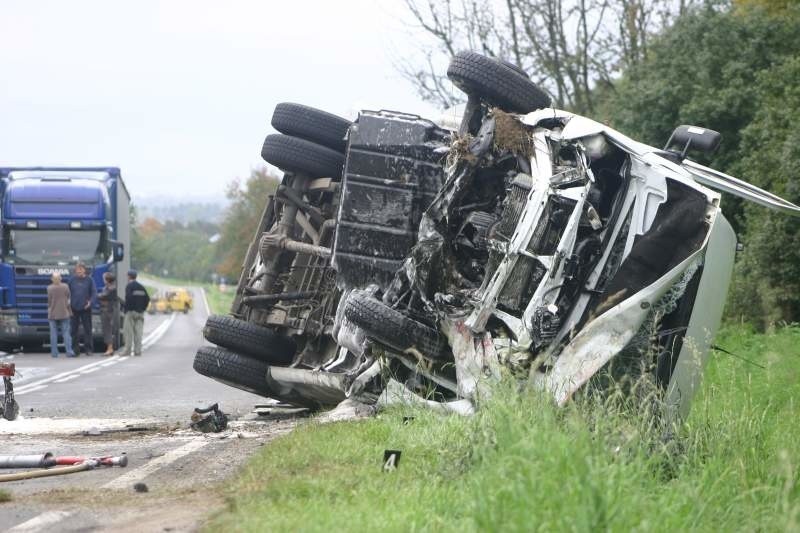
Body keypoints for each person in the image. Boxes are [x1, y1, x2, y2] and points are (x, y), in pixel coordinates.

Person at [68, 263, 97, 356]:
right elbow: (67, 293)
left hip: (86, 308)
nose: (79, 271)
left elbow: (94, 292)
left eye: (80, 269)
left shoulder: (89, 280)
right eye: (77, 269)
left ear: (84, 270)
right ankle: (75, 350)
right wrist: (68, 305)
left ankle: (88, 349)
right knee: (73, 330)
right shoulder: (71, 280)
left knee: (87, 329)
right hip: (73, 309)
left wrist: (91, 302)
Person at [122, 270, 150, 356]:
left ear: (129, 277)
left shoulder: (129, 286)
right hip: (140, 313)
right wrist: (142, 309)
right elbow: (147, 299)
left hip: (130, 312)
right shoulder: (141, 287)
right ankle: (138, 351)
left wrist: (127, 309)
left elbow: (128, 298)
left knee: (128, 332)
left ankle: (127, 351)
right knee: (138, 333)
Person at [47, 273, 75, 358]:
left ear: (52, 279)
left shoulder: (49, 288)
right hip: (64, 312)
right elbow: (69, 298)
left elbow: (49, 301)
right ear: (60, 278)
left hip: (53, 313)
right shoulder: (65, 286)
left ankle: (54, 353)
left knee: (53, 334)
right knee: (66, 333)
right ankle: (69, 351)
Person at [98, 272, 118, 356]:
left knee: (107, 330)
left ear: (107, 280)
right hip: (106, 310)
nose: (103, 280)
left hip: (107, 311)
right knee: (106, 330)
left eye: (104, 278)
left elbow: (103, 296)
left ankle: (110, 348)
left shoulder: (111, 288)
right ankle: (109, 348)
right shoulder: (109, 287)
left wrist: (98, 295)